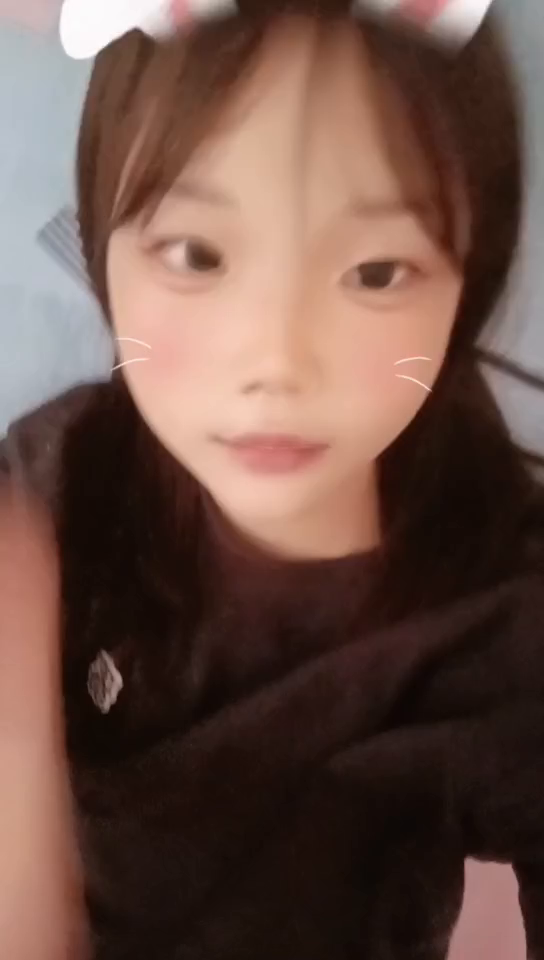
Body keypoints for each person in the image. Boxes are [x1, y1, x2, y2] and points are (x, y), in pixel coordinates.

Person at [1, 0, 544, 957]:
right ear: (102, 250)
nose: (278, 362)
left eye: (377, 273)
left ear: (468, 278)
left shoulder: (505, 619)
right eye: (197, 256)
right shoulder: (55, 487)